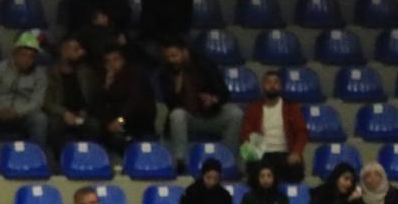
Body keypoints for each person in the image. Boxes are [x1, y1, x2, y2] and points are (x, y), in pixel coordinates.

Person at [158, 40, 237, 168]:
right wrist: (177, 87)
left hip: (211, 115)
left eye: (174, 55)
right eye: (168, 57)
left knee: (235, 113)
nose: (172, 60)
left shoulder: (205, 65)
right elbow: (170, 105)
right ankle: (180, 161)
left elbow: (224, 94)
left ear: (184, 52)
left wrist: (213, 99)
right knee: (177, 115)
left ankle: (228, 159)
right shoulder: (165, 73)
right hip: (189, 118)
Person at [0, 32, 49, 169]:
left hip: (24, 115)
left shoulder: (40, 75)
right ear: (15, 53)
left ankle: (35, 161)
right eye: (24, 55)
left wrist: (18, 112)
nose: (27, 60)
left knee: (41, 119)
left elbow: (37, 101)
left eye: (31, 57)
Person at [239, 68, 307, 183]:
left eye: (276, 82)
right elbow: (245, 133)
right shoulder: (253, 108)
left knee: (296, 169)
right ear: (263, 86)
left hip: (285, 153)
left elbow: (302, 132)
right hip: (262, 153)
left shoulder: (291, 107)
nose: (272, 85)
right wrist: (253, 152)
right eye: (268, 82)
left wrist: (296, 152)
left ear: (280, 86)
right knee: (253, 170)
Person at [87, 42, 155, 151]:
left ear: (123, 60)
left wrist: (120, 120)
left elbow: (134, 103)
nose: (112, 64)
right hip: (111, 126)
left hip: (135, 123)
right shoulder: (103, 79)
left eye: (115, 60)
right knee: (92, 126)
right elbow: (95, 108)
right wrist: (106, 87)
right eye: (108, 61)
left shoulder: (135, 75)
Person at [58, 0, 129, 61]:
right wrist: (93, 20)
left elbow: (124, 15)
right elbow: (73, 19)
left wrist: (108, 19)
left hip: (111, 31)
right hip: (84, 34)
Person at [44, 35, 97, 147]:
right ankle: (60, 160)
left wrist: (85, 110)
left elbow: (94, 97)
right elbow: (47, 101)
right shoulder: (50, 73)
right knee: (54, 125)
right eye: (76, 49)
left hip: (82, 114)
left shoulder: (85, 72)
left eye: (81, 50)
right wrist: (64, 113)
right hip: (60, 114)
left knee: (94, 124)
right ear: (63, 50)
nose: (81, 53)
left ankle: (90, 157)